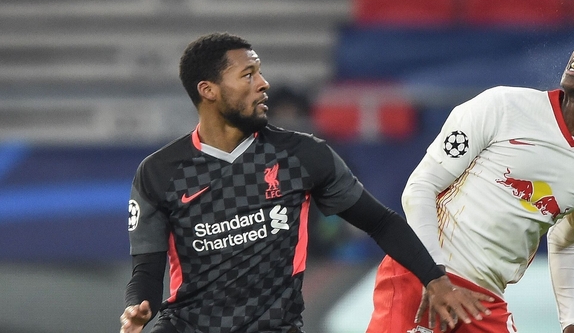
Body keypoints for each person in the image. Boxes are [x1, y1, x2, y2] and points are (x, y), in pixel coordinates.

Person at [120, 33, 493, 333]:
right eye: (248, 75)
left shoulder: (302, 155)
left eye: (260, 72)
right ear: (209, 90)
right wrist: (138, 309)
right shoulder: (160, 172)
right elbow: (148, 270)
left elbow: (380, 222)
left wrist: (435, 279)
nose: (263, 84)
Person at [367, 23, 574, 333]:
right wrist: (433, 277)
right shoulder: (502, 106)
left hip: (484, 300)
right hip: (420, 274)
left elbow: (568, 240)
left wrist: (570, 323)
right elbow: (420, 188)